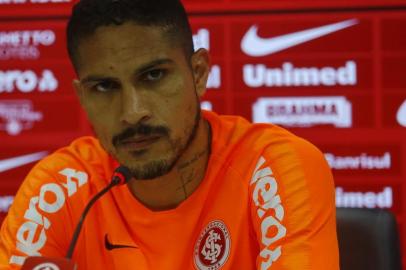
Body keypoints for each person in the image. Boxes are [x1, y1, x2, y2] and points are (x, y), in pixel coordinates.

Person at [0, 0, 339, 269]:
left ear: (199, 73)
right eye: (104, 86)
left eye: (153, 76)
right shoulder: (59, 187)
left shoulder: (274, 166)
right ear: (82, 97)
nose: (132, 112)